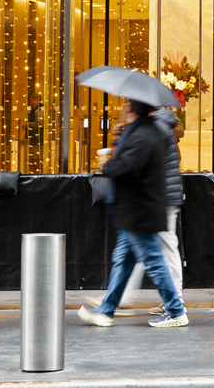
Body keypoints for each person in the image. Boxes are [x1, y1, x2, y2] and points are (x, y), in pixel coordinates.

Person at [79, 99, 188, 328]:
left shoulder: (147, 133)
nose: (125, 109)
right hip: (137, 207)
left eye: (128, 105)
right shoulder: (145, 131)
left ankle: (176, 310)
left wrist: (106, 164)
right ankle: (106, 310)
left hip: (140, 208)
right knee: (124, 261)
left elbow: (127, 165)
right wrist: (120, 138)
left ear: (134, 109)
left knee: (155, 261)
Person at [122, 105, 186, 311]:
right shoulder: (162, 125)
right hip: (162, 196)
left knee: (162, 248)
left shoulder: (156, 128)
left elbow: (144, 162)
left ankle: (176, 303)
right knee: (146, 248)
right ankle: (120, 298)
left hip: (161, 197)